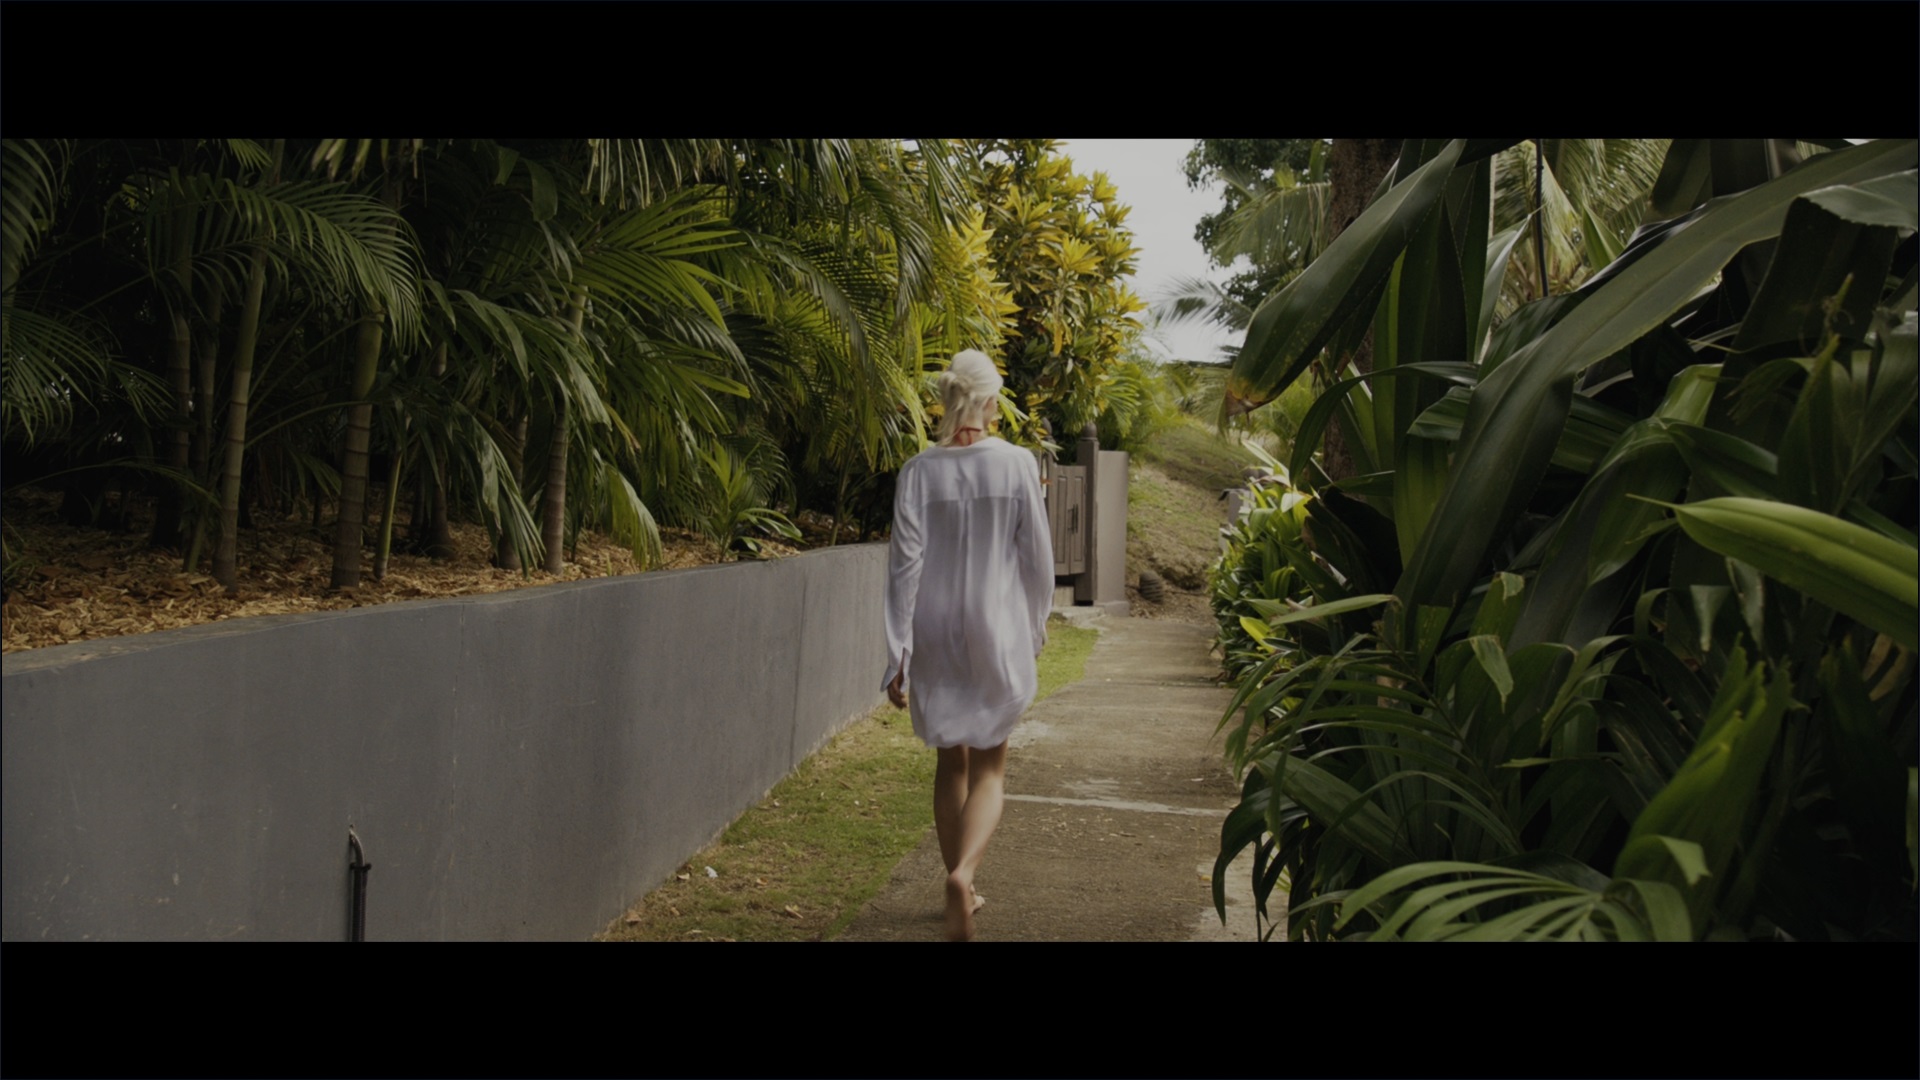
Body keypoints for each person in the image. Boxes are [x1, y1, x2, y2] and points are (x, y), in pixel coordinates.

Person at [883, 349, 1054, 941]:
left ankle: (959, 881)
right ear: (991, 400)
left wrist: (898, 652)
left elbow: (904, 568)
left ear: (947, 398)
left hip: (933, 627)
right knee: (990, 766)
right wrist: (1035, 626)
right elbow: (1037, 560)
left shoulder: (918, 471)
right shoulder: (1016, 464)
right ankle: (964, 875)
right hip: (994, 623)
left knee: (949, 761)